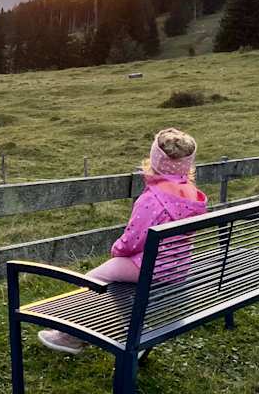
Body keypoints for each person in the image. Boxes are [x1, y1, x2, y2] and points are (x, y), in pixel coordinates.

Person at [37, 127, 208, 354]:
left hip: (150, 266)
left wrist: (117, 250)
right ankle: (135, 335)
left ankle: (69, 336)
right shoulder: (193, 195)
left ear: (155, 160)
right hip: (178, 267)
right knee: (121, 286)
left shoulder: (152, 199)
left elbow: (132, 241)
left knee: (94, 279)